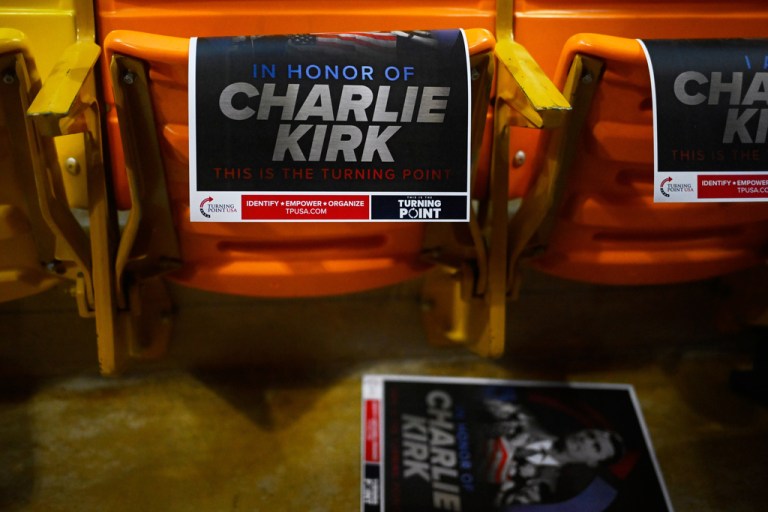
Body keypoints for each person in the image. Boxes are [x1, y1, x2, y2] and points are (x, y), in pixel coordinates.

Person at [482, 398, 625, 507]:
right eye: (590, 435)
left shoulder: (542, 489)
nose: (586, 440)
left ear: (593, 463)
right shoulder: (524, 418)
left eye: (596, 447)